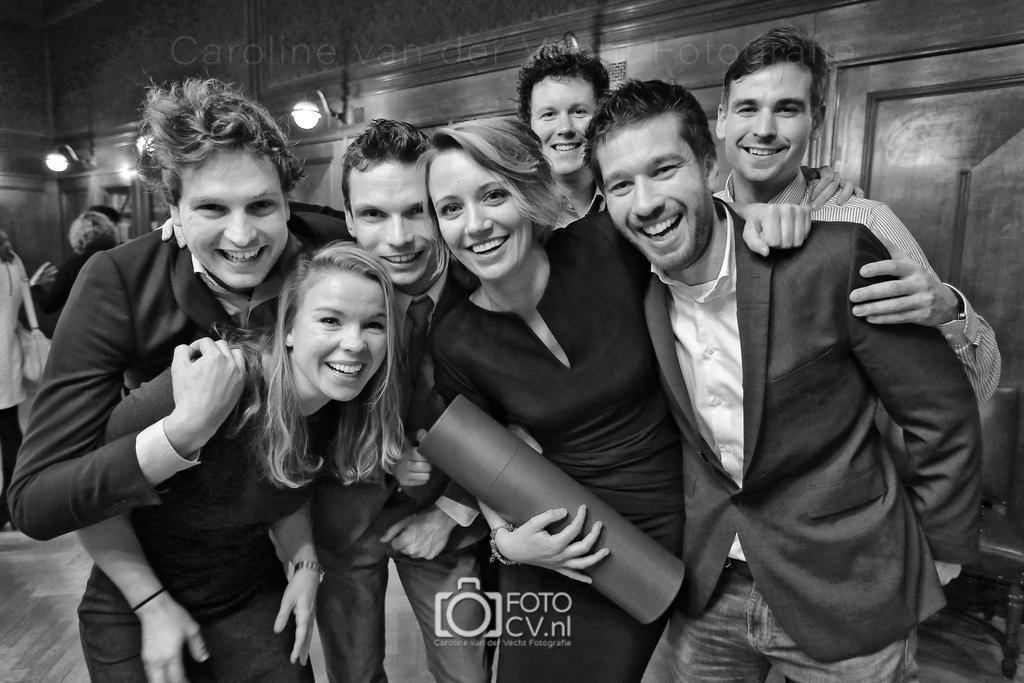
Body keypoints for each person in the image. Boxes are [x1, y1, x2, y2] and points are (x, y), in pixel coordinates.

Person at [587, 77, 981, 681]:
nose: (644, 203)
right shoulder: (628, 288)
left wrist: (943, 547)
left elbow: (940, 410)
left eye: (664, 170)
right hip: (711, 580)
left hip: (848, 581)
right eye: (620, 185)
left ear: (708, 165)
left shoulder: (831, 257)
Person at [9, 77, 349, 539]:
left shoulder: (330, 251)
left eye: (261, 205)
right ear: (174, 213)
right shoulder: (120, 280)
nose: (242, 235)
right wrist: (182, 433)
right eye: (211, 208)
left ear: (286, 205)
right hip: (163, 543)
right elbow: (34, 501)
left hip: (286, 543)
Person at [421, 117, 685, 682]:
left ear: (529, 190)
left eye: (494, 195)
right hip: (559, 536)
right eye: (451, 208)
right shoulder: (456, 338)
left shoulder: (605, 245)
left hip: (670, 522)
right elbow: (485, 459)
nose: (475, 225)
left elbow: (693, 225)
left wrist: (772, 213)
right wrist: (507, 542)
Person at [76, 242, 403, 682]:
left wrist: (305, 562)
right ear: (288, 328)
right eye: (330, 320)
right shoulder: (208, 382)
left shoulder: (340, 406)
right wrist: (151, 606)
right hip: (136, 599)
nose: (354, 343)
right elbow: (89, 502)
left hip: (247, 598)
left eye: (375, 325)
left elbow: (283, 487)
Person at [714, 26, 1000, 399]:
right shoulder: (692, 225)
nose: (764, 129)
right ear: (723, 118)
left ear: (817, 121)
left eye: (787, 109)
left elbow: (975, 387)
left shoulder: (865, 222)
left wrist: (949, 310)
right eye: (748, 108)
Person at [312, 119, 489, 683]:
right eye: (373, 215)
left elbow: (528, 416)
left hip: (448, 521)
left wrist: (455, 507)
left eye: (417, 211)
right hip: (343, 519)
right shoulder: (320, 289)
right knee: (353, 674)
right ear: (347, 220)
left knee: (466, 674)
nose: (399, 238)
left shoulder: (490, 285)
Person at [31, 209, 120, 314]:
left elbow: (49, 306)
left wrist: (35, 287)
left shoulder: (73, 266)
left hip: (90, 321)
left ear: (77, 236)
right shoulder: (120, 257)